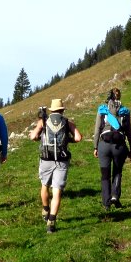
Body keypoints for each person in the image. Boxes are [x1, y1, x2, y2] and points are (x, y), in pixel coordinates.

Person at [29, 98, 83, 233]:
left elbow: (33, 136)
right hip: (62, 160)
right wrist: (67, 140)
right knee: (57, 191)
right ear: (62, 110)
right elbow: (78, 138)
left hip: (46, 158)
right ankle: (51, 221)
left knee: (44, 186)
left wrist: (39, 136)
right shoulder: (67, 122)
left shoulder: (43, 121)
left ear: (52, 110)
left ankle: (45, 209)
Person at [92, 88, 131, 210]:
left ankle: (106, 203)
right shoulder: (125, 111)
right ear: (119, 97)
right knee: (117, 172)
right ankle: (115, 195)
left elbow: (97, 130)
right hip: (119, 146)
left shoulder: (102, 110)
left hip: (104, 146)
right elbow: (129, 132)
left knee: (105, 175)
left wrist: (95, 146)